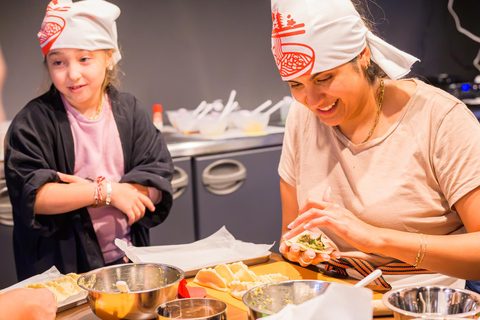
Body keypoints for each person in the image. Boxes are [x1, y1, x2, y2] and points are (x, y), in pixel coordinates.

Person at [272, 0, 480, 291]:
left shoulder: (440, 119)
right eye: (296, 85)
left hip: (424, 297)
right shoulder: (302, 116)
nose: (313, 100)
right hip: (331, 292)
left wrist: (376, 239)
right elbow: (290, 233)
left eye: (325, 79)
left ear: (363, 55)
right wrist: (299, 247)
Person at [5, 0, 174, 281]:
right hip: (60, 270)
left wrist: (83, 192)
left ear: (109, 57)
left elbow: (156, 183)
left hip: (127, 262)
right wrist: (108, 193)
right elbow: (34, 196)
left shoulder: (130, 111)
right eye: (58, 61)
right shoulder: (32, 122)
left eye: (85, 59)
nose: (73, 74)